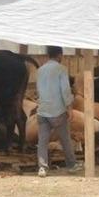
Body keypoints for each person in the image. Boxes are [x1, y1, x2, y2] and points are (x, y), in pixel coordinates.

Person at [35, 45, 82, 177]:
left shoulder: (40, 70)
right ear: (60, 55)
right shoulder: (61, 69)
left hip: (42, 110)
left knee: (42, 141)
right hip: (57, 111)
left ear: (48, 55)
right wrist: (69, 108)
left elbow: (38, 90)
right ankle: (72, 165)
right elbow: (65, 91)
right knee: (65, 139)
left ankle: (42, 168)